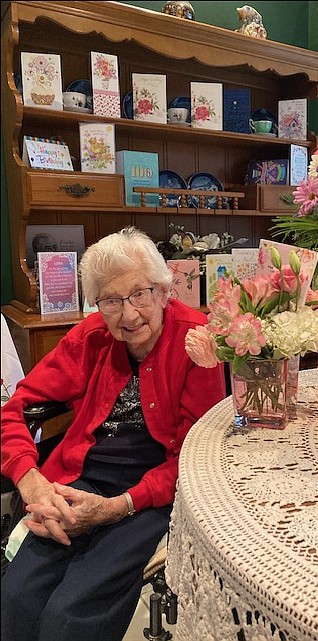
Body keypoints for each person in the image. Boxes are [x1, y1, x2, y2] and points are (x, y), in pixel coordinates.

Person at [1, 226, 226, 641]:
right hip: (80, 478)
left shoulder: (196, 341)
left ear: (163, 290)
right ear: (97, 304)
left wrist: (117, 507)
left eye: (139, 294)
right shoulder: (92, 336)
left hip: (154, 492)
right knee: (15, 596)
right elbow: (13, 410)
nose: (128, 314)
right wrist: (32, 482)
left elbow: (195, 456)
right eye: (110, 300)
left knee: (70, 615)